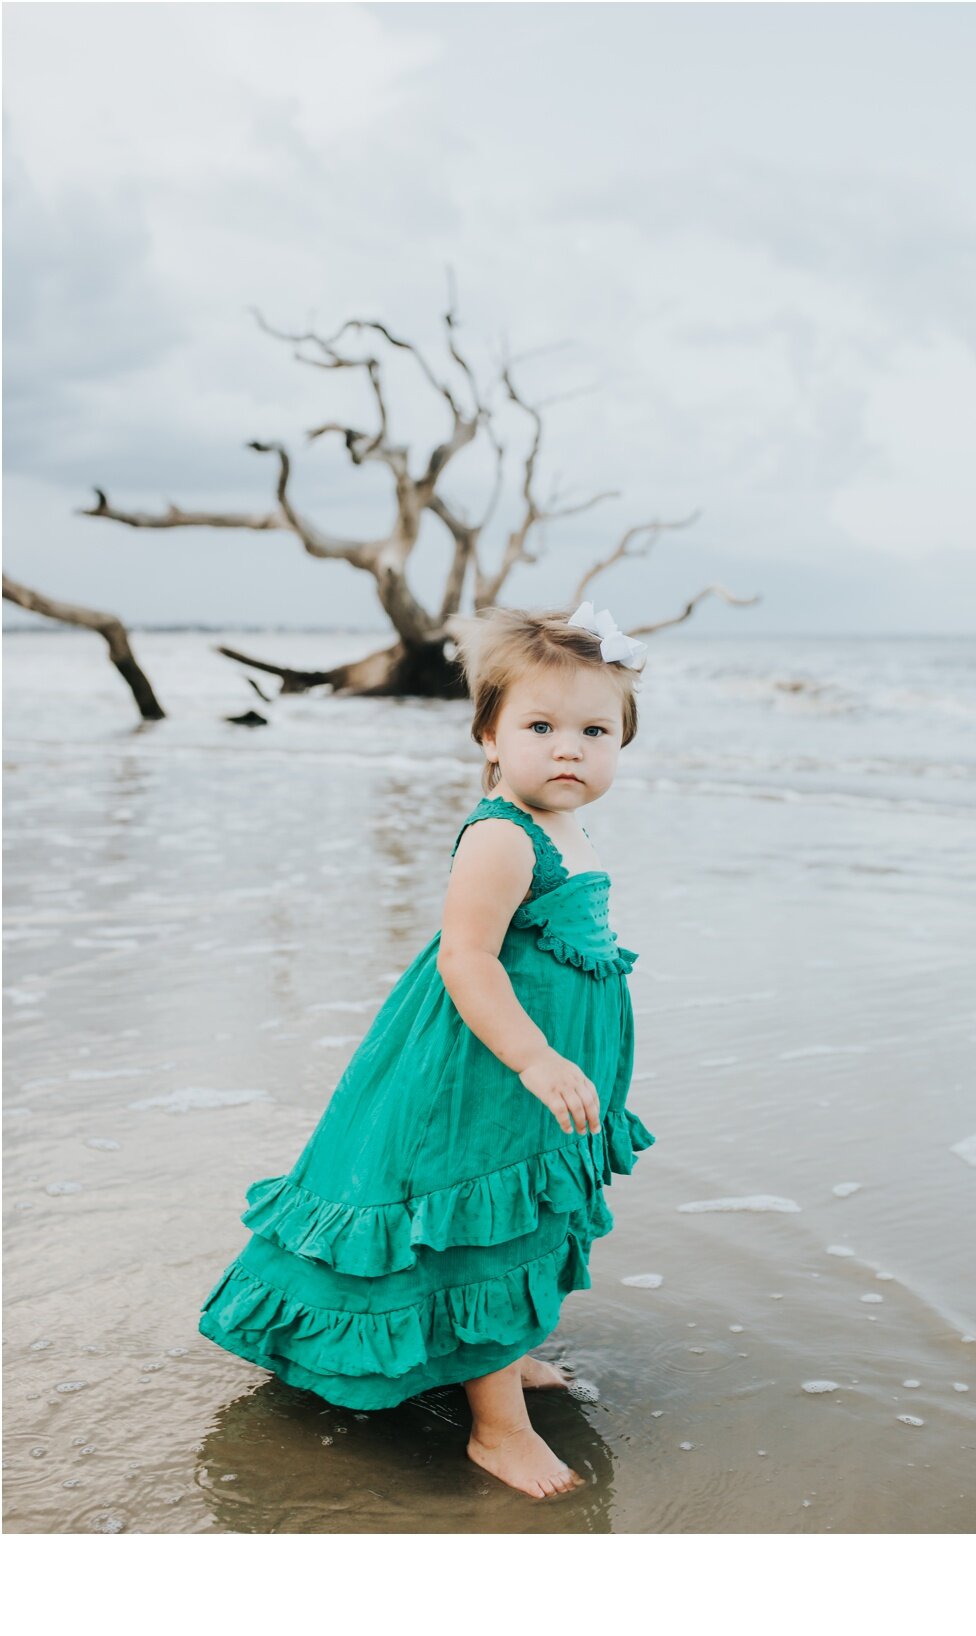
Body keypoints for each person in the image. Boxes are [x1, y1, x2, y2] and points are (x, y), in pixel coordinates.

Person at [198, 601, 656, 1499]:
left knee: (526, 1220)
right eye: (541, 726)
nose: (570, 748)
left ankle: (505, 1354)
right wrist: (533, 1058)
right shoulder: (500, 835)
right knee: (478, 1233)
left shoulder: (567, 824)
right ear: (488, 735)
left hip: (537, 1074)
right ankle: (497, 1430)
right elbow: (466, 960)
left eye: (594, 730)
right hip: (482, 1077)